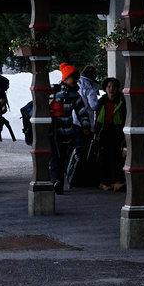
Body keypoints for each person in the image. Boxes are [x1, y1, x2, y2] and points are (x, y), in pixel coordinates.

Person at [49, 64, 91, 193]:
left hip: (68, 133)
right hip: (54, 132)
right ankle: (57, 181)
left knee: (66, 157)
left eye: (76, 78)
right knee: (56, 157)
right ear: (66, 78)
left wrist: (86, 125)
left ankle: (63, 179)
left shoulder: (75, 96)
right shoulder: (53, 92)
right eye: (73, 77)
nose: (75, 80)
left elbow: (82, 112)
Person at [94, 77, 127, 191]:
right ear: (105, 88)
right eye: (109, 87)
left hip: (116, 131)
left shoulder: (122, 101)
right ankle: (105, 182)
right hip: (104, 132)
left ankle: (118, 181)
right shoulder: (101, 102)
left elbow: (125, 117)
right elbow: (98, 119)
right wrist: (96, 135)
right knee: (104, 158)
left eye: (113, 87)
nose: (111, 89)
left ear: (117, 88)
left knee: (116, 157)